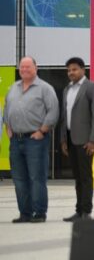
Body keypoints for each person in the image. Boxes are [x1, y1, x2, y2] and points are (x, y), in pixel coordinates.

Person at [4, 56, 59, 223]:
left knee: (36, 177)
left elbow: (53, 111)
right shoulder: (13, 87)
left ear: (36, 68)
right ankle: (25, 213)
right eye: (22, 67)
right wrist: (8, 126)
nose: (24, 70)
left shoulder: (45, 88)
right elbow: (7, 108)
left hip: (35, 139)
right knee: (19, 179)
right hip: (15, 140)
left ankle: (39, 212)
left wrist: (43, 131)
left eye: (28, 67)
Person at [58, 56, 94, 222]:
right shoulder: (67, 90)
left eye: (74, 69)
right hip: (70, 139)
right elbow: (64, 117)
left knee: (85, 176)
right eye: (69, 70)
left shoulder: (92, 88)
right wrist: (63, 139)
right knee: (77, 177)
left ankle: (86, 212)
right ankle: (79, 210)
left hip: (85, 141)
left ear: (83, 70)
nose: (71, 72)